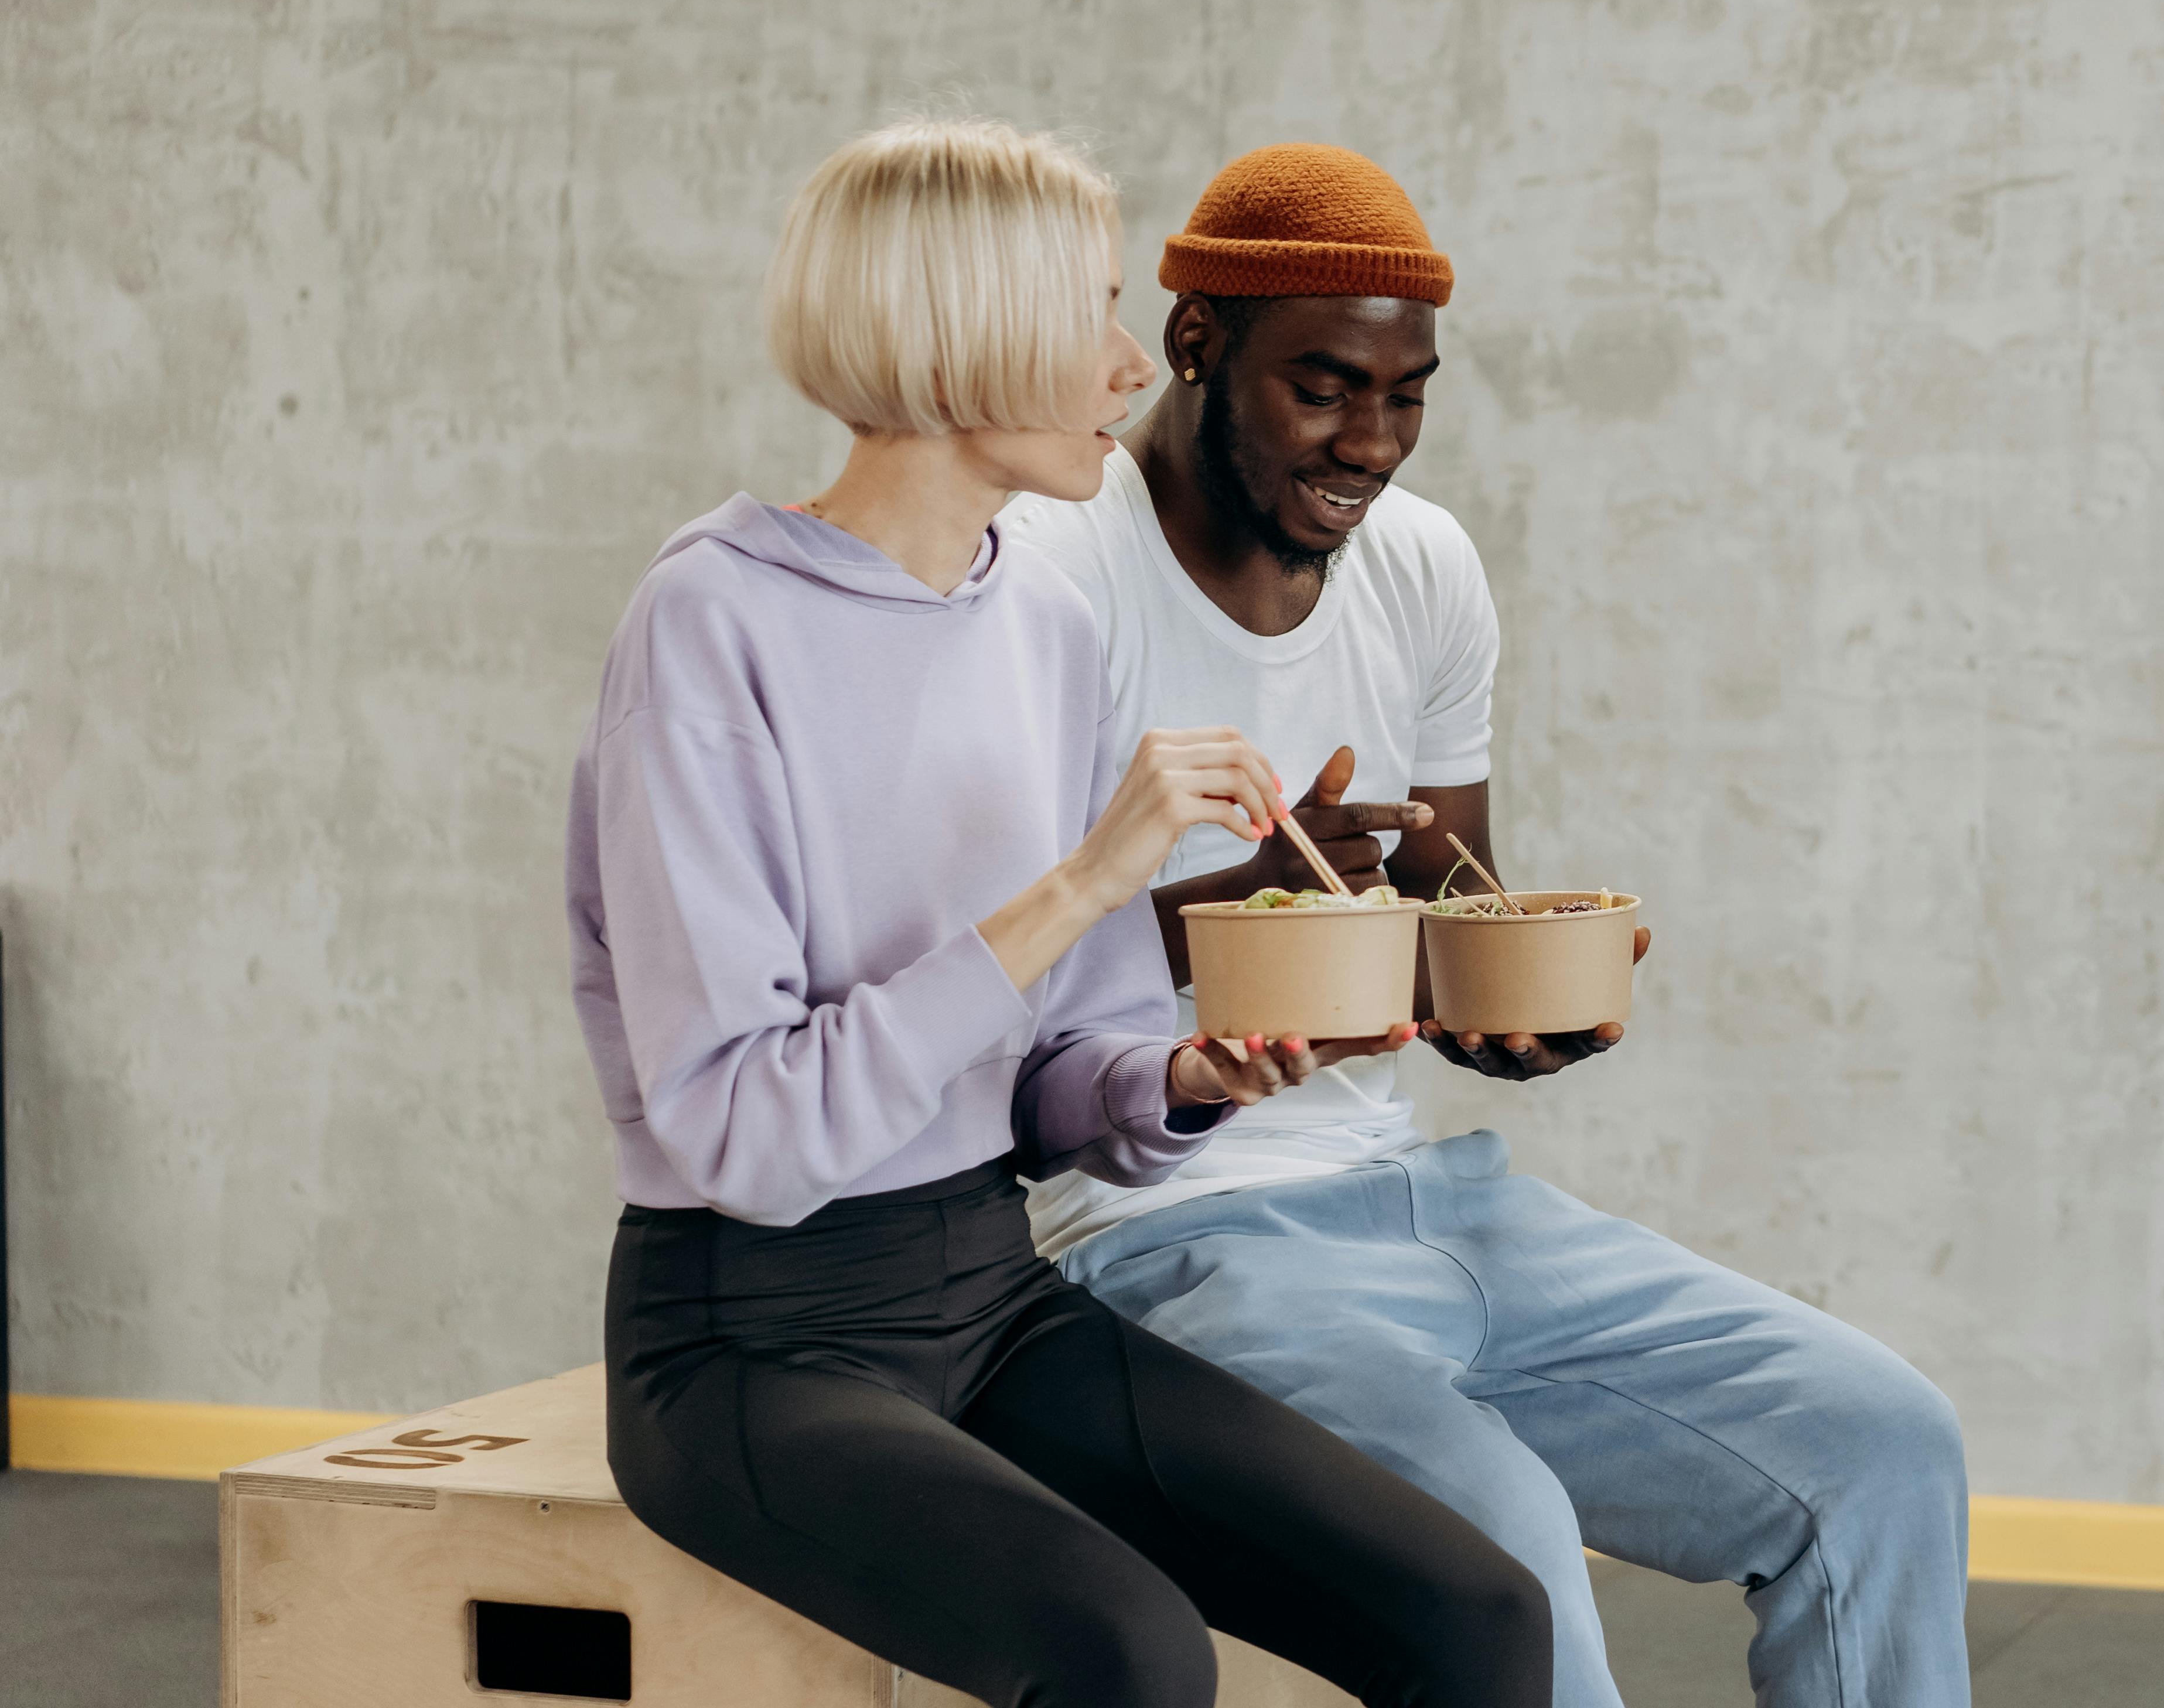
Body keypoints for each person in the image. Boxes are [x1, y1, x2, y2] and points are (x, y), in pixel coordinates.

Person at [569, 118, 1552, 1708]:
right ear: (965, 348)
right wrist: (1088, 881)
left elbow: (1060, 1073)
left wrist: (1181, 1078)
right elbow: (745, 1138)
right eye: (1089, 316)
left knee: (1478, 1614)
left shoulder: (1035, 612)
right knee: (1127, 1656)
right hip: (751, 1338)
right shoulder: (712, 625)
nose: (1123, 368)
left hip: (995, 1287)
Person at [1002, 143, 1973, 1708]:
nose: (1370, 443)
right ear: (1194, 345)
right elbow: (986, 989)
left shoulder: (1423, 568)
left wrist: (1522, 1012)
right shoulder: (1048, 577)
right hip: (1161, 1237)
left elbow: (1449, 896)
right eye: (1322, 387)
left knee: (1882, 1441)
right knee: (1506, 1551)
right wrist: (1245, 904)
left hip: (1422, 1197)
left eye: (1407, 394)